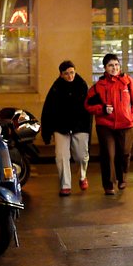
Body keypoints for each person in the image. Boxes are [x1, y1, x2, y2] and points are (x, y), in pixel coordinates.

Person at [85, 53, 133, 195]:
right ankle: (109, 184)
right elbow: (88, 105)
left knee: (124, 153)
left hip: (125, 125)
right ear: (105, 68)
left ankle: (122, 177)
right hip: (105, 126)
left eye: (116, 65)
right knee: (108, 154)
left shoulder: (128, 82)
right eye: (111, 65)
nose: (114, 68)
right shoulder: (98, 86)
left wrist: (131, 115)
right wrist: (102, 109)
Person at [41, 59, 92, 196]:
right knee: (61, 156)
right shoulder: (56, 89)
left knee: (81, 156)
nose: (70, 76)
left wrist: (88, 129)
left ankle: (82, 175)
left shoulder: (82, 86)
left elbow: (88, 110)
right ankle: (65, 185)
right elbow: (48, 111)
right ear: (61, 74)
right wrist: (46, 133)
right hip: (60, 127)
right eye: (66, 73)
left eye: (72, 72)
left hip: (79, 126)